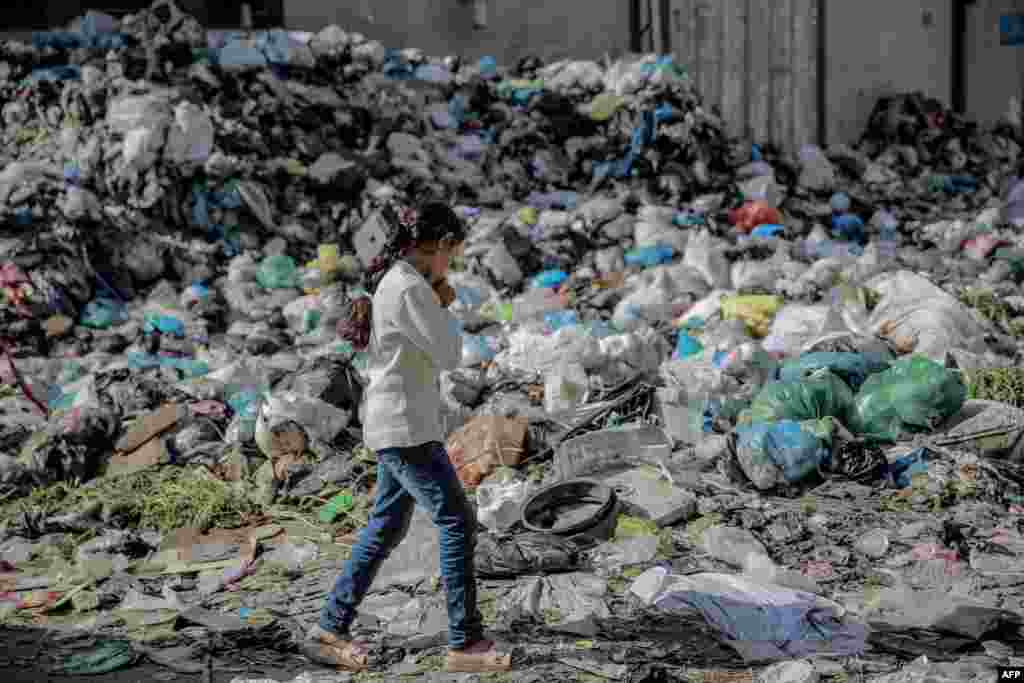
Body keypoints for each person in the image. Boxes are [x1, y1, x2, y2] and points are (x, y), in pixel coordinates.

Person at [305, 200, 511, 674]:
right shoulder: (409, 287)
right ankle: (466, 642)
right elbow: (450, 353)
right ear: (440, 246)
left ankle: (328, 628)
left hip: (397, 422)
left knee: (386, 526)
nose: (450, 264)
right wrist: (442, 297)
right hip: (405, 428)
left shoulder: (396, 280)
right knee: (458, 521)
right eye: (451, 254)